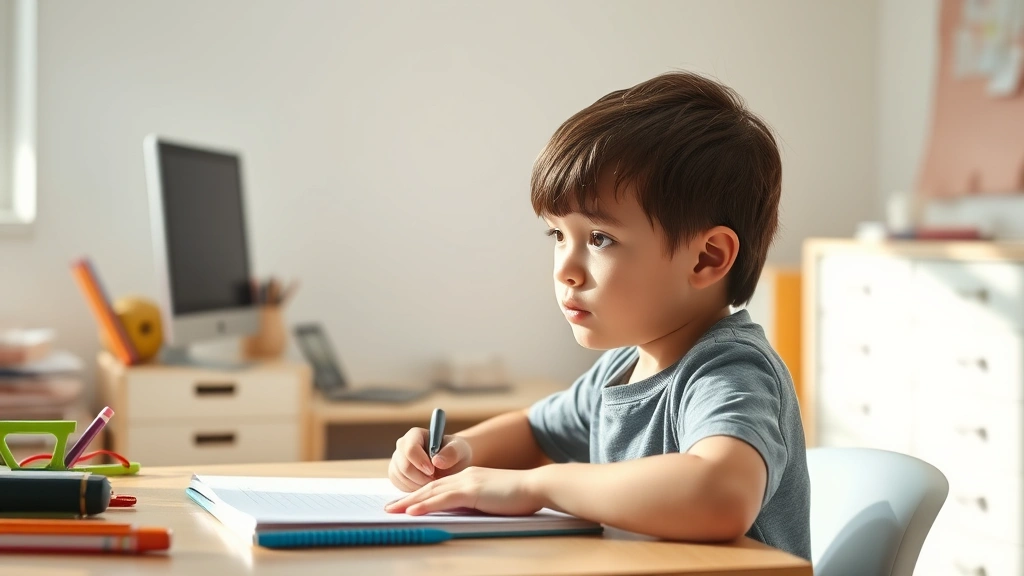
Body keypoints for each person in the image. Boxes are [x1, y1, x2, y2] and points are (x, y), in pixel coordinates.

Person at [385, 70, 810, 560]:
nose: (565, 269)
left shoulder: (729, 370)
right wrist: (459, 453)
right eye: (558, 236)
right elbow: (536, 430)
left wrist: (539, 487)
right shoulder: (626, 367)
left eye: (600, 239)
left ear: (707, 258)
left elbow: (720, 494)